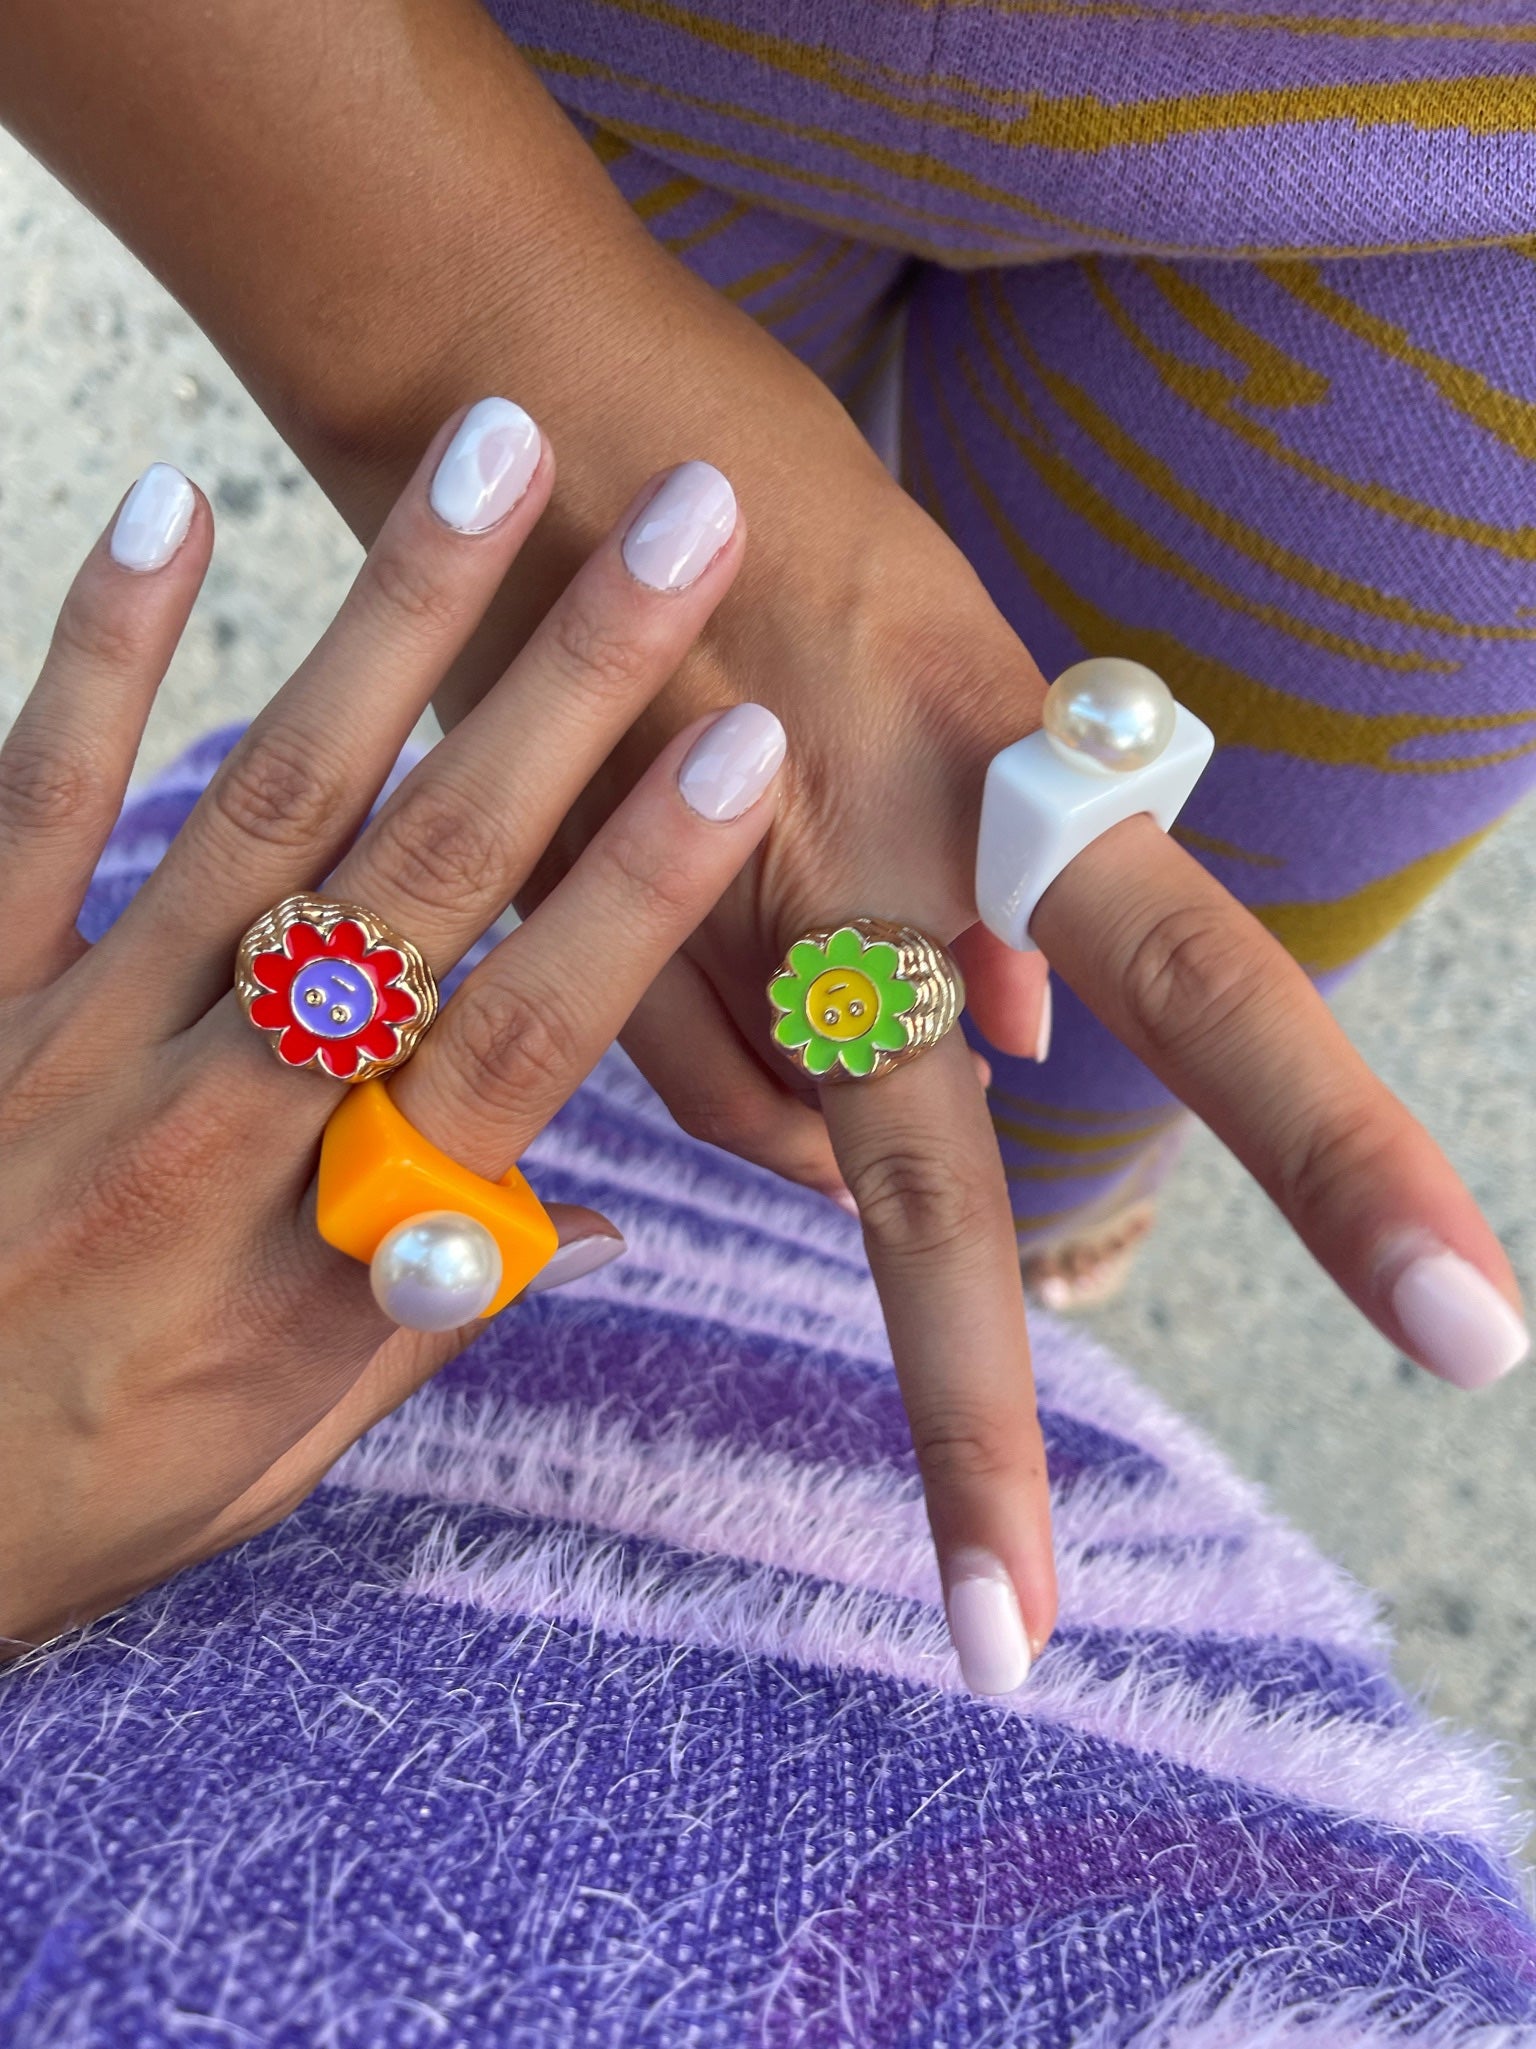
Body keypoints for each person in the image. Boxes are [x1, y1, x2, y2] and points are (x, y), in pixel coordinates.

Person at [0, 1, 1528, 1691]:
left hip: (1460, 200)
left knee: (1127, 945)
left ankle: (1051, 1184)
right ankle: (1034, 1196)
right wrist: (470, 324)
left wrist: (494, 371)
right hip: (479, 65)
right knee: (983, 973)